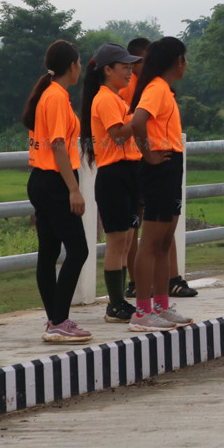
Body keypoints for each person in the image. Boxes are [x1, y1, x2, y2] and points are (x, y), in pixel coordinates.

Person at [23, 40, 92, 343]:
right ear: (72, 66)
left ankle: (55, 320)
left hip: (44, 180)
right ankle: (60, 321)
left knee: (49, 252)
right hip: (54, 182)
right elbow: (58, 145)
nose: (79, 68)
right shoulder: (55, 98)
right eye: (78, 63)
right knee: (79, 249)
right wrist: (74, 190)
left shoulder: (51, 94)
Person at [121, 38, 198, 299]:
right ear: (178, 61)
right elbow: (138, 121)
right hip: (159, 168)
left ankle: (162, 307)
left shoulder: (164, 89)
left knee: (164, 242)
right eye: (185, 60)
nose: (186, 66)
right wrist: (149, 155)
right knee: (152, 243)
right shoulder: (155, 89)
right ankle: (144, 310)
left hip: (170, 165)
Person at [79, 43, 143, 323]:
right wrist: (142, 118)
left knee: (128, 238)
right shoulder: (104, 99)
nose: (130, 72)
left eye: (131, 66)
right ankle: (115, 305)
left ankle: (121, 302)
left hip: (127, 172)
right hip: (114, 175)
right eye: (125, 67)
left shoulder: (117, 99)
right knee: (117, 241)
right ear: (108, 70)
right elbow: (118, 135)